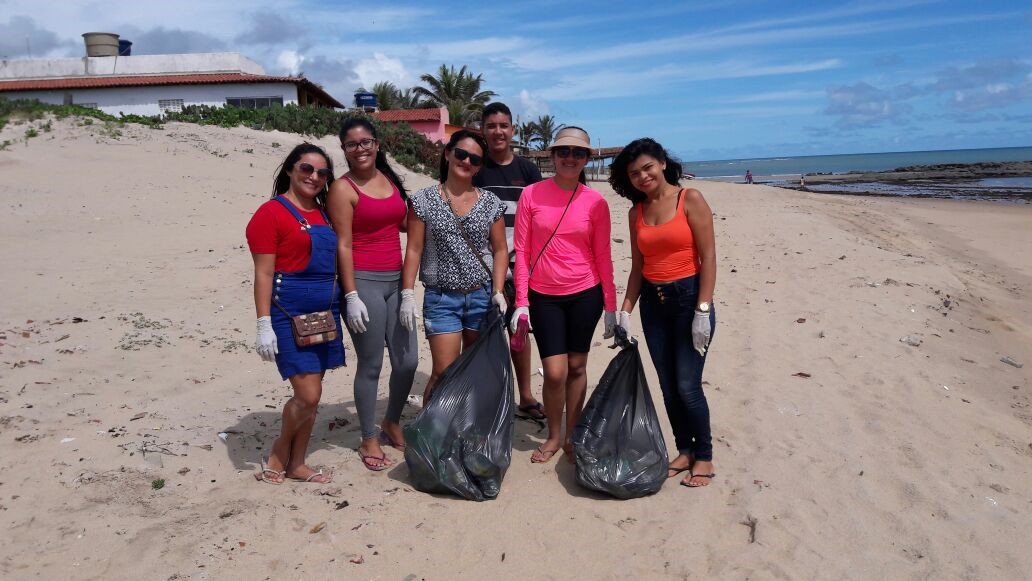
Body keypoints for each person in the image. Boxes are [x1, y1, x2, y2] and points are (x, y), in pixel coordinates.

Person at [609, 138, 717, 488]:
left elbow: (708, 257)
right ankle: (684, 450)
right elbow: (638, 267)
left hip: (689, 300)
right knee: (668, 387)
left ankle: (704, 456)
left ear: (663, 164)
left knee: (687, 385)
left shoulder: (690, 199)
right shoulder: (636, 212)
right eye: (634, 173)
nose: (643, 177)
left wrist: (703, 309)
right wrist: (625, 310)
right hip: (654, 306)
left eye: (647, 168)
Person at [511, 126, 617, 463]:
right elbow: (522, 251)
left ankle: (572, 434)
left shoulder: (595, 202)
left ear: (586, 158)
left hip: (586, 293)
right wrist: (522, 302)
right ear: (553, 155)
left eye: (578, 153)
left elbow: (603, 255)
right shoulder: (531, 194)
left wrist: (611, 305)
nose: (570, 158)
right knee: (555, 372)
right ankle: (554, 435)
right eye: (564, 152)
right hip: (544, 296)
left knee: (576, 366)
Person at [247, 143, 343, 484]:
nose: (314, 177)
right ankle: (279, 450)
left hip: (325, 313)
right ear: (290, 169)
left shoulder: (326, 214)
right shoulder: (270, 213)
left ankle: (298, 463)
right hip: (287, 313)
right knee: (308, 395)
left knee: (314, 396)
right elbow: (263, 273)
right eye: (306, 168)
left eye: (322, 173)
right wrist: (263, 324)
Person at [326, 118, 417, 472]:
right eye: (352, 144)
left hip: (397, 281)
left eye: (366, 142)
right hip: (363, 281)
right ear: (344, 150)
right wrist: (350, 295)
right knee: (372, 363)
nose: (360, 148)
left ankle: (391, 421)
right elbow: (343, 245)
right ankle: (368, 436)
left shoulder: (389, 180)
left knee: (408, 361)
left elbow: (402, 223)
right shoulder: (342, 189)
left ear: (377, 144)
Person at [400, 129, 508, 403]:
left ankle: (467, 424)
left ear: (480, 167)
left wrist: (498, 291)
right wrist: (407, 293)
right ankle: (432, 428)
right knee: (443, 372)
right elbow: (414, 249)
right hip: (441, 298)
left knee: (476, 370)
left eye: (475, 159)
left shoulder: (491, 203)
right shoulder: (422, 201)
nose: (467, 161)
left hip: (481, 296)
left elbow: (499, 250)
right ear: (448, 154)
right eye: (461, 154)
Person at [473, 102, 546, 421]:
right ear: (483, 130)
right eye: (491, 126)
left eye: (503, 125)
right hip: (482, 265)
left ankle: (525, 395)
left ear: (512, 129)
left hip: (521, 265)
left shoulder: (527, 170)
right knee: (484, 335)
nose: (498, 131)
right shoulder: (475, 168)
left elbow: (539, 217)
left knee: (519, 332)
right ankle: (489, 398)